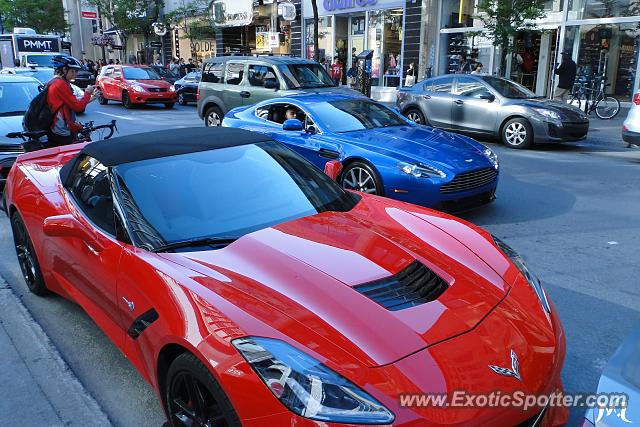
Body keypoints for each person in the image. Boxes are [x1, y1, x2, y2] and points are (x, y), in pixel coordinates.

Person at [47, 56, 96, 147]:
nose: (75, 74)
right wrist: (87, 92)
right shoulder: (60, 84)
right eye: (73, 71)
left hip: (57, 128)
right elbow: (78, 107)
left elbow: (68, 104)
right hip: (61, 130)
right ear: (64, 69)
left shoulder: (53, 82)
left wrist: (89, 99)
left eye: (76, 71)